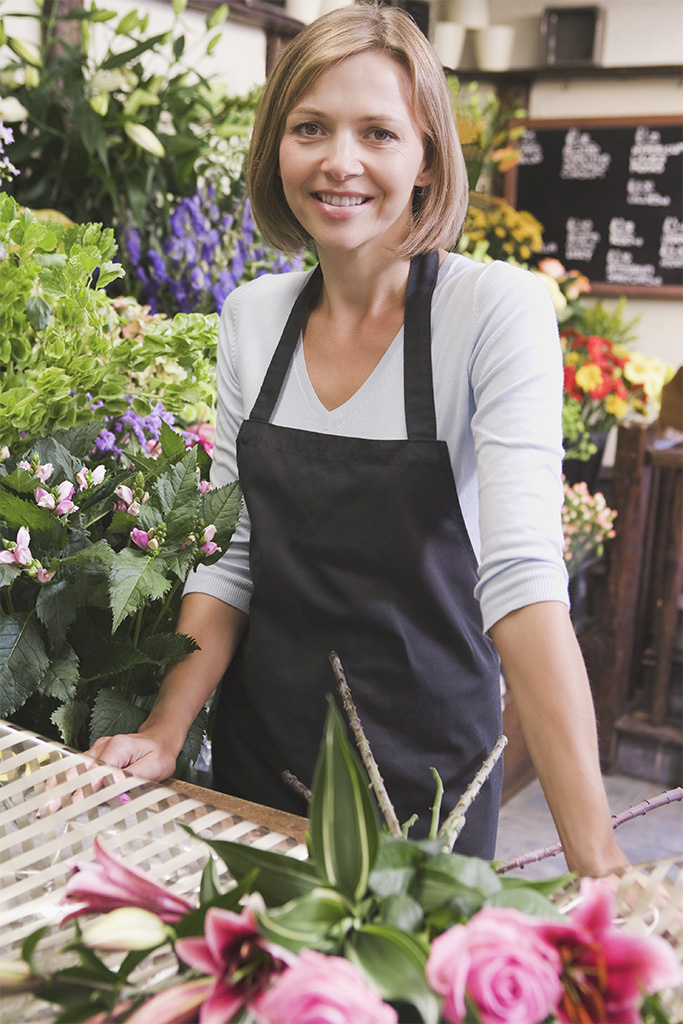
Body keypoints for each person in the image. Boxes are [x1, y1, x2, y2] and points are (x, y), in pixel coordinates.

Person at [89, 3, 627, 873]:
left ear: (425, 158)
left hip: (426, 787)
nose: (340, 162)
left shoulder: (493, 312)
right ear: (277, 148)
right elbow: (230, 558)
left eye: (377, 132)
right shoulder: (253, 319)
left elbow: (524, 583)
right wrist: (164, 731)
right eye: (311, 128)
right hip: (260, 766)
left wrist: (597, 867)